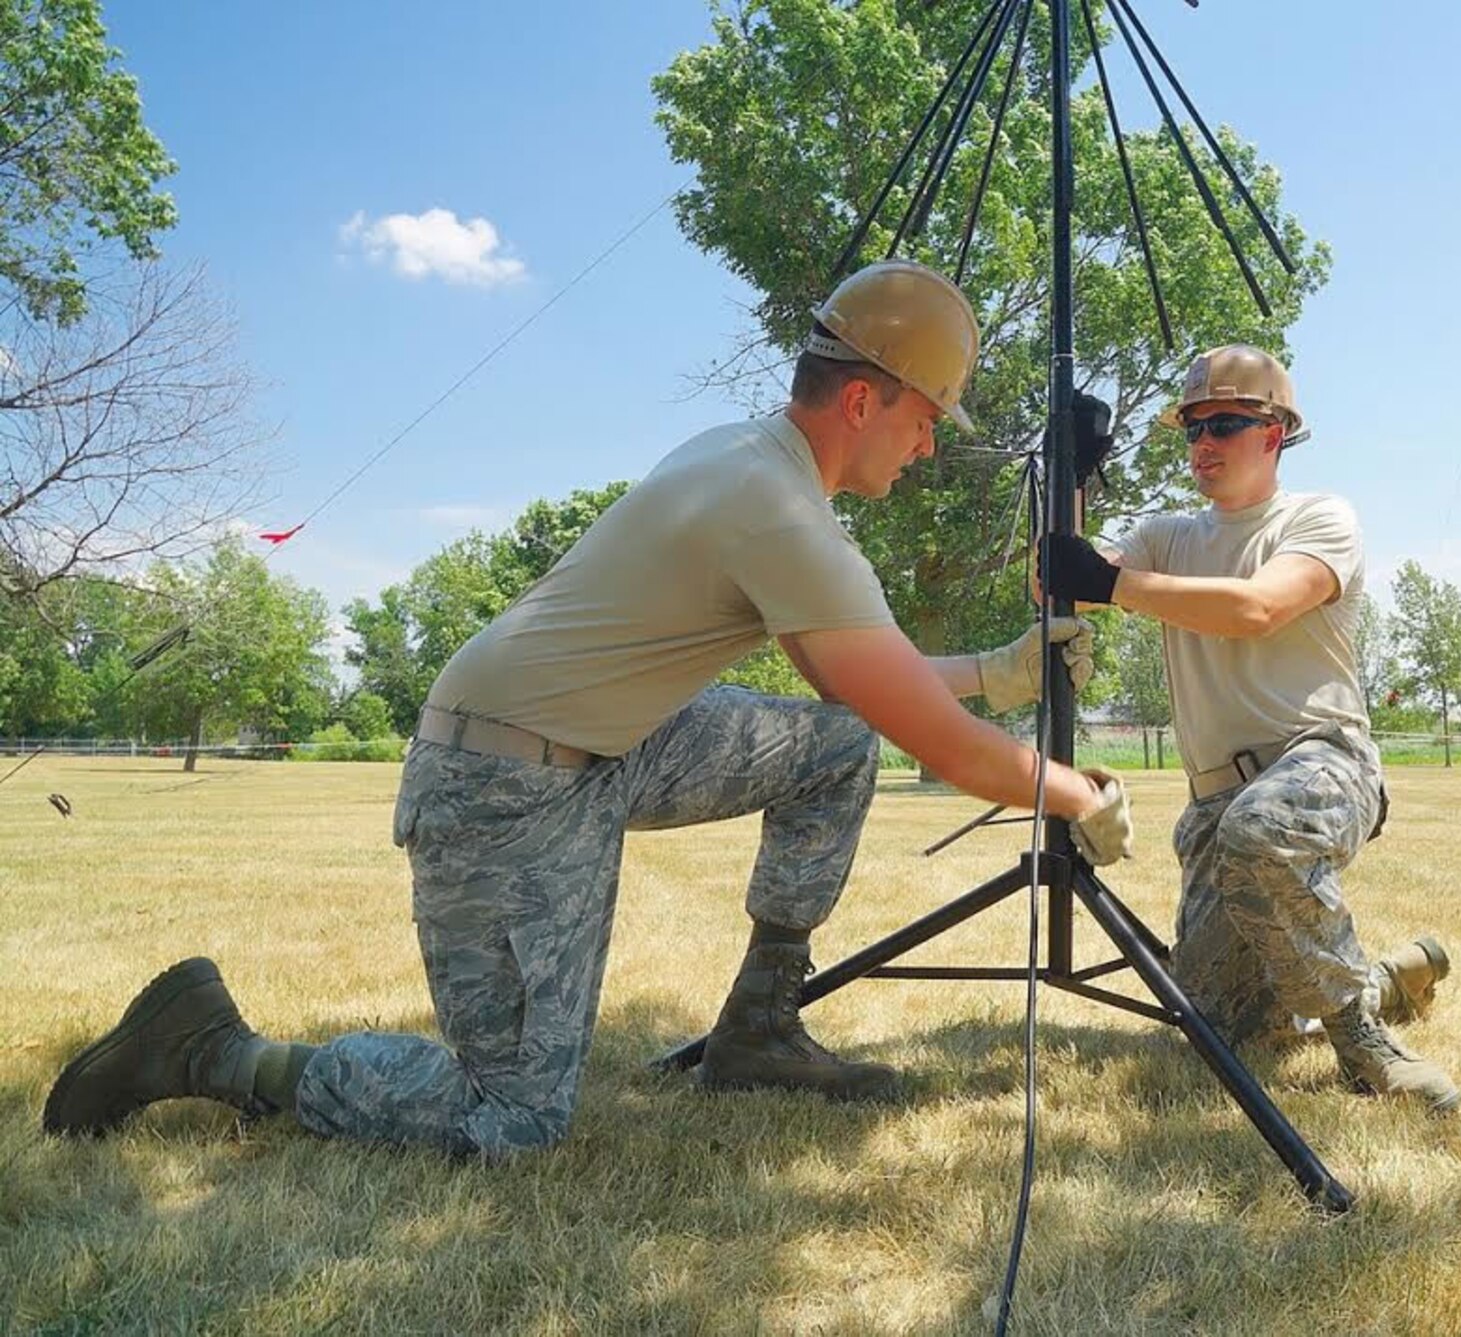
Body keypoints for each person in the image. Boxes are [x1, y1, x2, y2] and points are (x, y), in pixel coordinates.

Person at [44, 259, 1134, 1158]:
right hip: (502, 780)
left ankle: (756, 1026)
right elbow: (931, 739)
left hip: (605, 745)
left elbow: (860, 679)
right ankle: (213, 1050)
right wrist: (1079, 793)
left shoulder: (749, 461)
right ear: (863, 399)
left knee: (832, 744)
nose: (930, 443)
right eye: (927, 415)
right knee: (509, 1117)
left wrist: (994, 668)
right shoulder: (780, 516)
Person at [1039, 343, 1459, 1113]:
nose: (1203, 442)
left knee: (1262, 830)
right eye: (1193, 426)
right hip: (1213, 804)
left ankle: (1363, 1043)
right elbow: (1061, 578)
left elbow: (1257, 607)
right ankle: (1393, 978)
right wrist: (1070, 476)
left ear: (1275, 433)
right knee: (1222, 1025)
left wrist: (1111, 581)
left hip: (1321, 760)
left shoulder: (1319, 518)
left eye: (1225, 423)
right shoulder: (1166, 536)